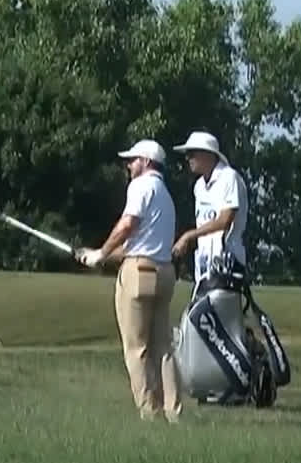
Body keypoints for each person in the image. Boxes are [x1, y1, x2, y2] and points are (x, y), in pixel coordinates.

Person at [73, 138, 183, 422]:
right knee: (163, 348)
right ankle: (174, 412)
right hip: (165, 274)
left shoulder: (140, 186)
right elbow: (139, 243)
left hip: (138, 276)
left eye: (133, 160)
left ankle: (149, 413)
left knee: (137, 348)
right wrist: (98, 255)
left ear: (146, 162)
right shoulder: (166, 196)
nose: (128, 165)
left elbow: (127, 225)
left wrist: (102, 253)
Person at [170, 130, 248, 295]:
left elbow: (224, 220)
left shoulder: (229, 178)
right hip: (205, 261)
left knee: (221, 316)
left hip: (227, 260)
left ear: (207, 154)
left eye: (191, 153)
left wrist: (188, 236)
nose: (187, 158)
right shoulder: (199, 186)